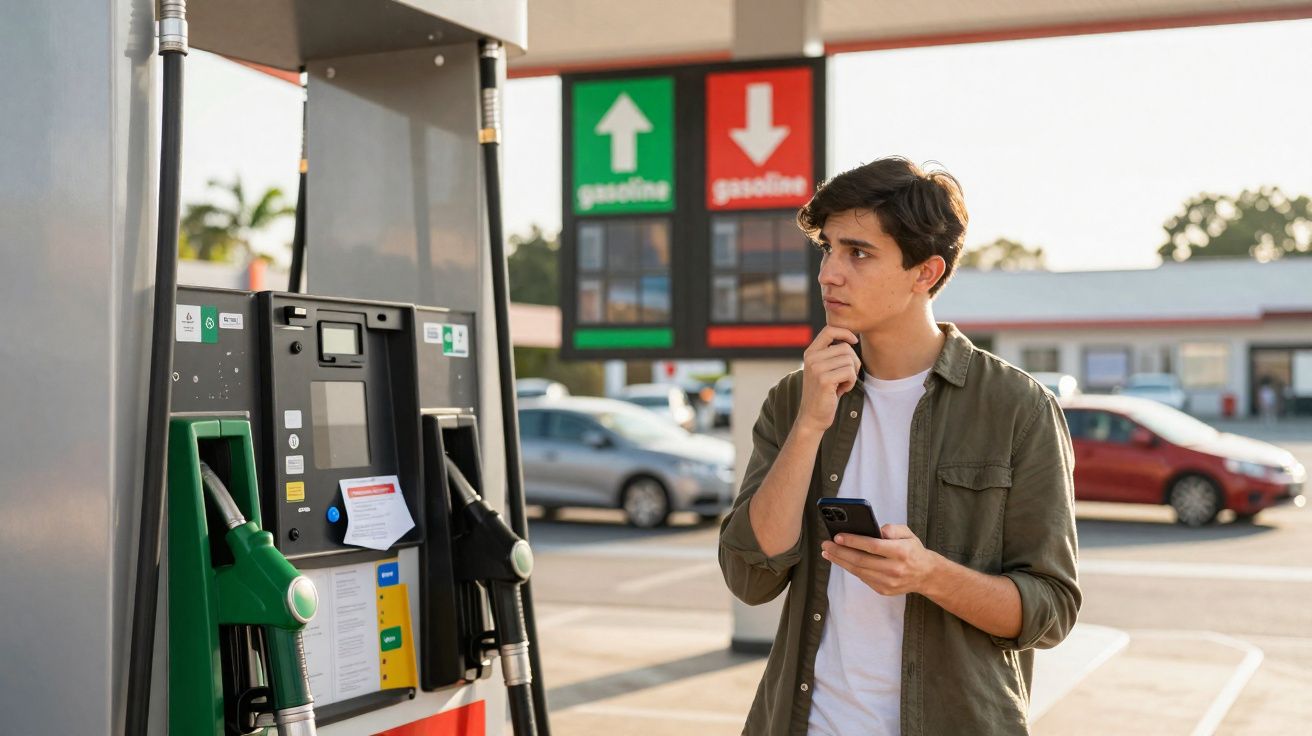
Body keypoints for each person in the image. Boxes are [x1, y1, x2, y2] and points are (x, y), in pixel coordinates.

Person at [719, 157, 1081, 735]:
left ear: (926, 272)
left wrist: (928, 575)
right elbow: (750, 577)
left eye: (858, 253)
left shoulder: (1019, 409)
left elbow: (1051, 610)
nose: (828, 274)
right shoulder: (797, 397)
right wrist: (811, 424)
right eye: (828, 249)